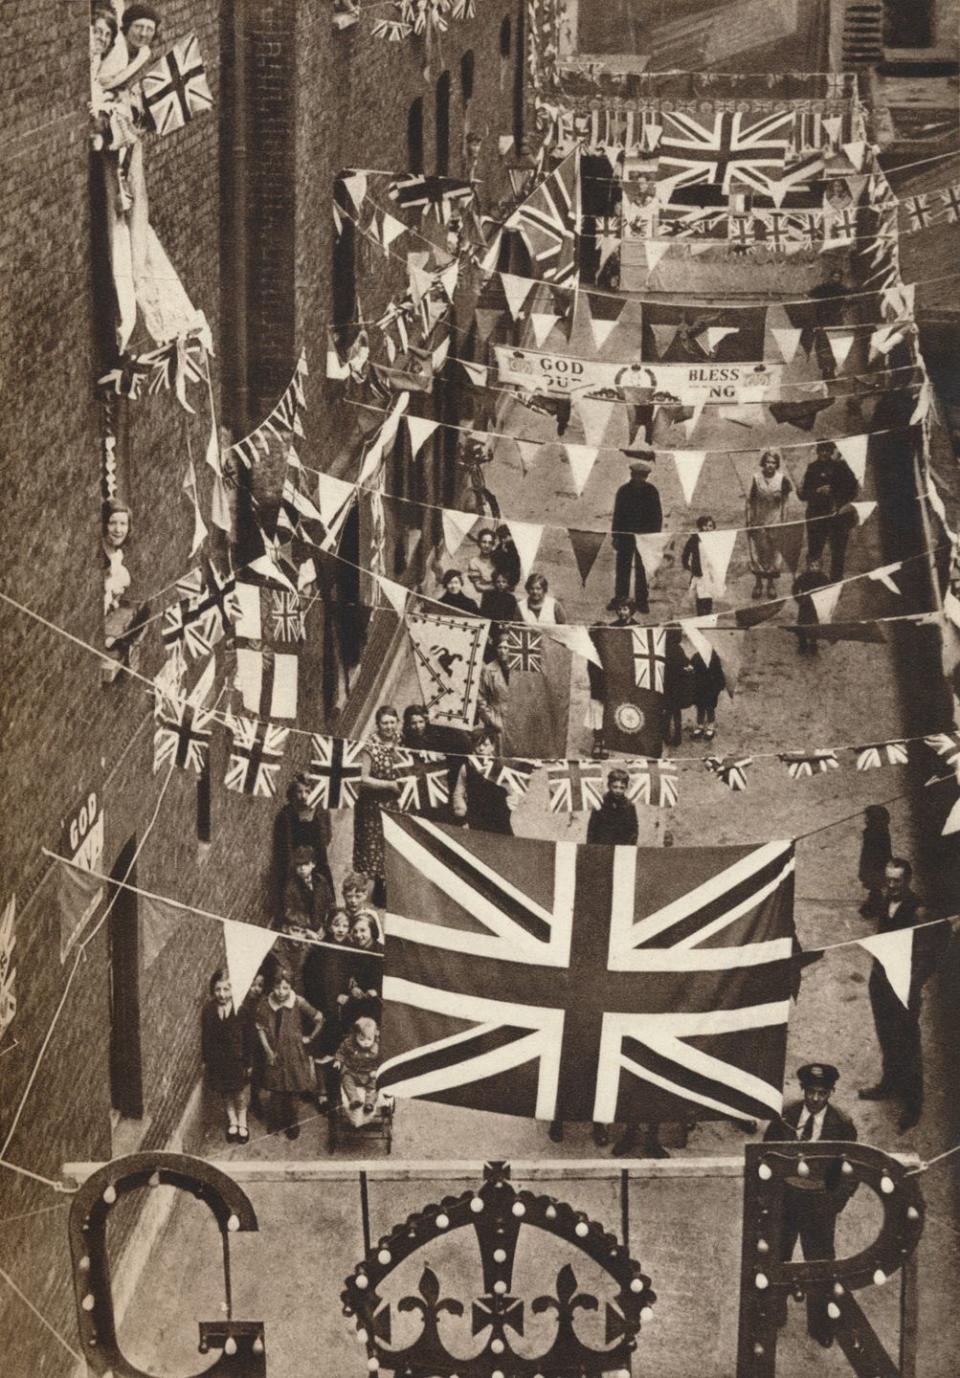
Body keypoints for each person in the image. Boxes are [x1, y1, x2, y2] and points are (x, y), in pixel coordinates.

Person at [764, 1063, 858, 1347]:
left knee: (819, 1264)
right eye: (811, 1092)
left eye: (822, 1093)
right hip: (787, 1199)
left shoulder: (841, 1124)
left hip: (819, 1203)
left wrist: (833, 1203)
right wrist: (772, 1196)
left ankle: (820, 1325)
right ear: (802, 1090)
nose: (815, 1099)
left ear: (831, 1092)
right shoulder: (786, 1117)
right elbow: (767, 1155)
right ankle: (774, 1313)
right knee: (778, 1256)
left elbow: (850, 1169)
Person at [859, 858, 939, 1132]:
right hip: (881, 982)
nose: (891, 885)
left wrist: (909, 987)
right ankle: (889, 1083)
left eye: (897, 880)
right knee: (886, 1035)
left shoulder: (918, 911)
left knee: (908, 1044)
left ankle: (913, 1105)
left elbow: (928, 957)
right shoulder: (884, 900)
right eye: (888, 879)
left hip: (903, 989)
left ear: (907, 881)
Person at [254, 965, 325, 1139]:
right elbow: (261, 1029)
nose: (280, 992)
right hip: (275, 1053)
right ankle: (275, 1122)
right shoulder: (265, 1004)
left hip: (294, 1054)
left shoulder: (298, 1002)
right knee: (276, 1093)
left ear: (291, 987)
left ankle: (292, 1123)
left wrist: (309, 1038)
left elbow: (319, 1018)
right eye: (277, 987)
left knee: (293, 1092)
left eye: (285, 987)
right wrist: (268, 1051)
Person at [353, 705, 405, 908]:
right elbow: (363, 778)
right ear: (378, 724)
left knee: (394, 842)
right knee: (375, 847)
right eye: (385, 723)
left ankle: (396, 886)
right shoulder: (370, 746)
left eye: (392, 722)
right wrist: (390, 784)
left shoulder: (403, 740)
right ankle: (379, 891)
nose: (389, 727)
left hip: (396, 803)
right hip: (374, 806)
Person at [201, 969, 253, 1145]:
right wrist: (207, 1060)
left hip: (236, 1060)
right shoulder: (209, 1011)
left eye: (226, 989)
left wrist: (248, 1061)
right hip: (218, 1061)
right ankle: (232, 1121)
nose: (222, 994)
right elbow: (206, 1037)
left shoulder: (242, 1010)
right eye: (218, 990)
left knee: (239, 1092)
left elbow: (249, 1037)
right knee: (225, 1092)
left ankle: (242, 1121)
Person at [798, 441, 859, 581]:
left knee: (838, 551)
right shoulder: (811, 468)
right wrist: (817, 491)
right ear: (817, 451)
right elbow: (803, 494)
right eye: (821, 450)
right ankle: (814, 581)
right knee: (814, 550)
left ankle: (836, 581)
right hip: (816, 516)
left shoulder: (842, 468)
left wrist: (835, 492)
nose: (824, 453)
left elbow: (852, 491)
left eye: (827, 450)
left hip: (837, 516)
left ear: (832, 452)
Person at [611, 454, 663, 613]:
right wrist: (616, 535)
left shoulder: (652, 492)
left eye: (643, 477)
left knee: (642, 570)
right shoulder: (623, 491)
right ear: (632, 475)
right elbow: (617, 514)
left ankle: (642, 601)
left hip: (644, 538)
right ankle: (620, 599)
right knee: (622, 569)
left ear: (646, 477)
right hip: (626, 536)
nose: (639, 479)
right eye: (637, 476)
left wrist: (653, 538)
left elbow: (657, 516)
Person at [273, 774, 334, 909]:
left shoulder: (320, 810)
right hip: (297, 859)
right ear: (293, 794)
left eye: (308, 791)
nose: (304, 796)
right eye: (299, 792)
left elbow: (327, 833)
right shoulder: (287, 814)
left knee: (320, 885)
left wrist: (318, 851)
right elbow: (283, 842)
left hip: (317, 857)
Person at [586, 597, 635, 759]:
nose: (622, 612)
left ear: (631, 610)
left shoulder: (638, 627)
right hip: (600, 686)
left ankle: (611, 739)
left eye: (625, 609)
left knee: (616, 708)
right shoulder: (611, 629)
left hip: (619, 678)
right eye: (620, 609)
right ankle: (599, 741)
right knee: (599, 712)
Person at [746, 449, 795, 600]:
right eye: (768, 462)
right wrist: (749, 520)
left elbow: (786, 503)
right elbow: (750, 501)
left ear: (777, 464)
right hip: (758, 521)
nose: (770, 465)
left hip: (775, 522)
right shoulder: (756, 478)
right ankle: (758, 583)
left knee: (774, 554)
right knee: (759, 553)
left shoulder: (782, 480)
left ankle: (771, 584)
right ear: (763, 463)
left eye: (773, 463)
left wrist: (784, 522)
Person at [452, 729, 516, 834]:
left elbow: (512, 789)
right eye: (478, 745)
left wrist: (510, 803)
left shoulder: (500, 766)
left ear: (492, 746)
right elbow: (458, 793)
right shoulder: (467, 767)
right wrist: (461, 810)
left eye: (485, 745)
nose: (481, 748)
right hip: (476, 815)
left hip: (498, 816)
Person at [334, 1017, 383, 1127]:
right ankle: (354, 1099)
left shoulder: (378, 1046)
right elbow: (341, 1051)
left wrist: (377, 1070)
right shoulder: (349, 1043)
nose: (366, 1042)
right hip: (353, 1072)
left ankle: (369, 1103)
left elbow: (382, 1060)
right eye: (361, 1039)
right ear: (355, 1035)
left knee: (375, 1085)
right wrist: (338, 1060)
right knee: (346, 1079)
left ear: (375, 1036)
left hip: (369, 1073)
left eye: (369, 1039)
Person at [681, 514, 723, 616]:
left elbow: (721, 553)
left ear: (713, 527)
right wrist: (688, 565)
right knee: (700, 595)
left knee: (709, 595)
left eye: (710, 526)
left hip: (710, 573)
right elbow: (685, 553)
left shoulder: (715, 540)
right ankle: (700, 614)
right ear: (700, 527)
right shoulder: (695, 539)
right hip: (699, 572)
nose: (707, 529)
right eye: (705, 526)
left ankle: (707, 615)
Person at [476, 635, 512, 753]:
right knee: (498, 754)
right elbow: (480, 697)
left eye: (506, 648)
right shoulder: (488, 669)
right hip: (496, 720)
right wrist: (491, 719)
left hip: (516, 720)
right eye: (500, 647)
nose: (503, 651)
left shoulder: (518, 668)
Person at [587, 767, 639, 845]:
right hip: (602, 847)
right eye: (615, 787)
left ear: (626, 788)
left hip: (622, 848)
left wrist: (629, 847)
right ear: (609, 786)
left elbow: (633, 831)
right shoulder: (600, 803)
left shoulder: (629, 806)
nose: (618, 791)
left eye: (622, 788)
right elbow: (592, 830)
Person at [858, 805, 892, 920]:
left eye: (867, 817)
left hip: (875, 865)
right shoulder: (879, 831)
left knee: (875, 887)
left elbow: (875, 852)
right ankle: (874, 905)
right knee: (875, 888)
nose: (865, 819)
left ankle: (874, 908)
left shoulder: (876, 833)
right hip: (874, 864)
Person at [689, 638, 725, 742]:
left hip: (710, 688)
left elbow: (719, 673)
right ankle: (700, 725)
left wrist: (718, 686)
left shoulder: (714, 658)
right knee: (700, 708)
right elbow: (691, 666)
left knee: (709, 708)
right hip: (699, 687)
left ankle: (710, 726)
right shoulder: (696, 657)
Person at [792, 564, 831, 656]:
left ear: (820, 567)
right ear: (808, 567)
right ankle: (802, 643)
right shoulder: (803, 577)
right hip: (805, 604)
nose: (814, 568)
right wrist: (799, 600)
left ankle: (813, 643)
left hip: (817, 604)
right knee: (802, 623)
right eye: (812, 566)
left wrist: (824, 600)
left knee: (815, 623)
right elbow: (795, 589)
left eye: (817, 566)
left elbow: (829, 589)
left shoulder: (823, 578)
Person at [467, 528, 498, 597]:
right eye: (484, 542)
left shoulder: (498, 559)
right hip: (487, 598)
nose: (487, 546)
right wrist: (499, 587)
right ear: (479, 543)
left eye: (490, 543)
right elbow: (478, 587)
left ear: (493, 545)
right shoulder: (474, 562)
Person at [493, 525, 522, 590]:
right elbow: (494, 556)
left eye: (504, 537)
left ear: (510, 536)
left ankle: (510, 586)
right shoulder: (501, 545)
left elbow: (516, 562)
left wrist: (505, 553)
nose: (502, 540)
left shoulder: (514, 546)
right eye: (500, 538)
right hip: (502, 571)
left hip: (512, 572)